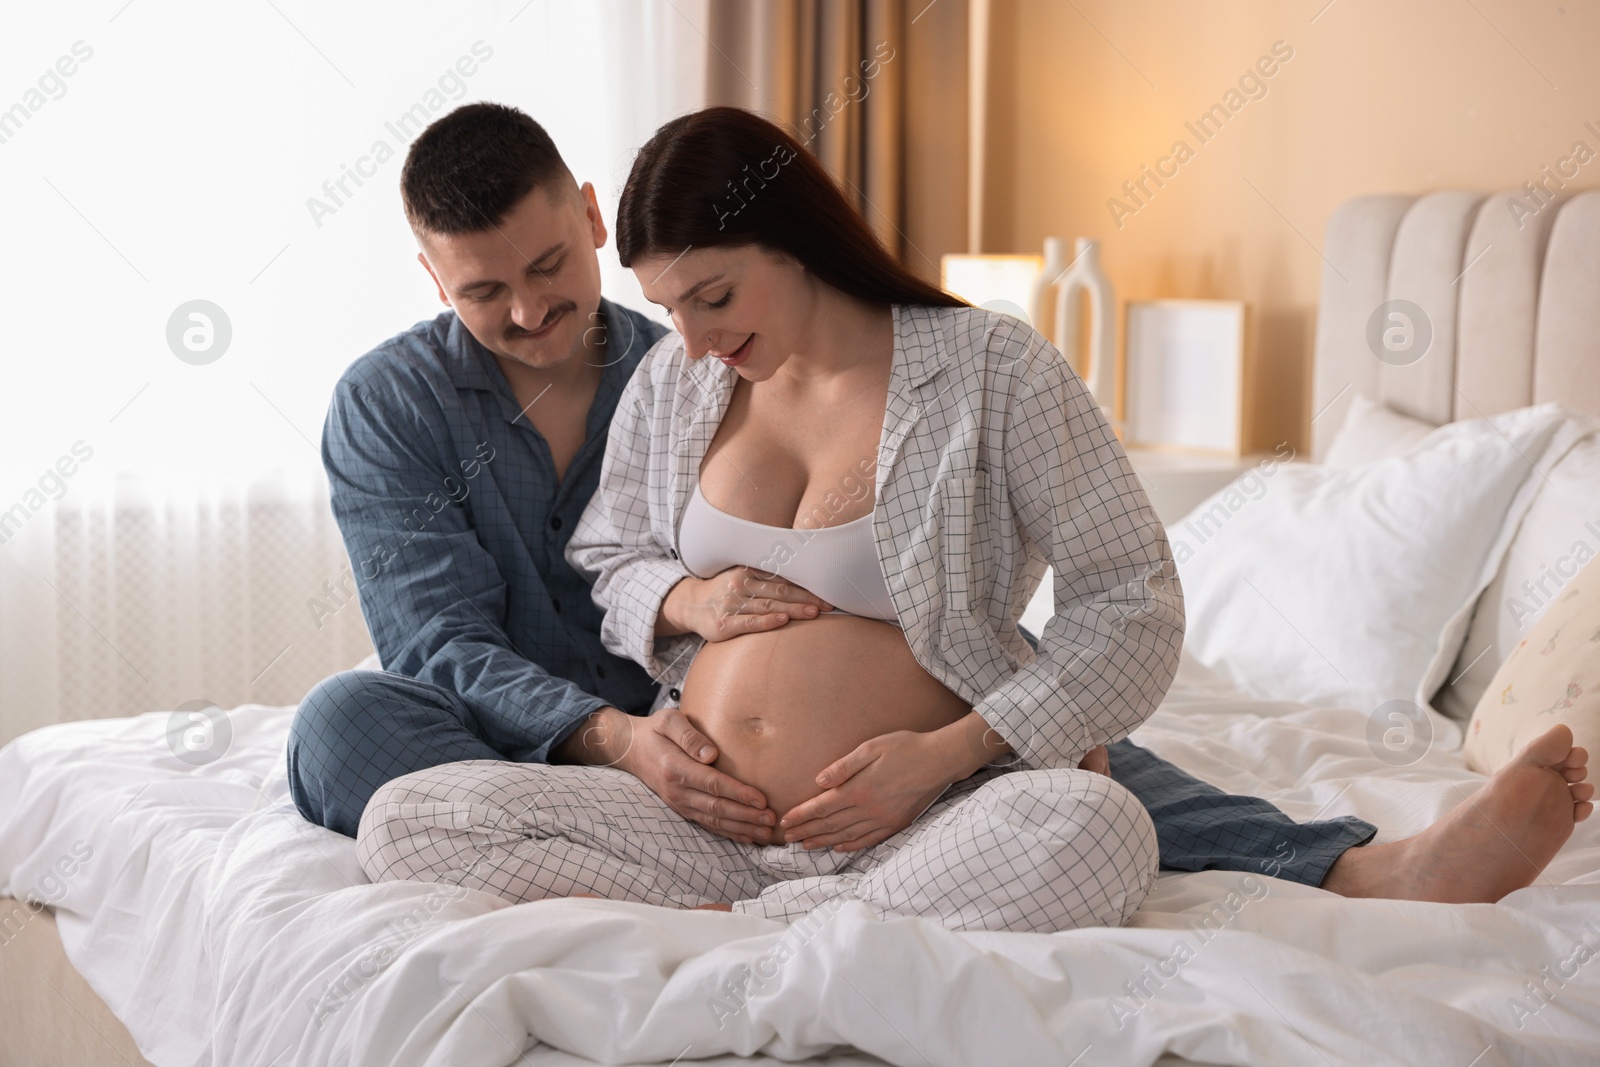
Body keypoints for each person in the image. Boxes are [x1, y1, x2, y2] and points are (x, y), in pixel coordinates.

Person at [353, 107, 1593, 932]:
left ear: (791, 241)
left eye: (713, 296)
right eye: (668, 306)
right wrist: (683, 600)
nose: (687, 339)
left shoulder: (992, 372)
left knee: (1095, 822)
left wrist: (945, 758)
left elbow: (1131, 601)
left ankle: (1363, 866)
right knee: (409, 814)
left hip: (924, 816)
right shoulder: (682, 384)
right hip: (708, 824)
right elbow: (608, 555)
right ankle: (809, 922)